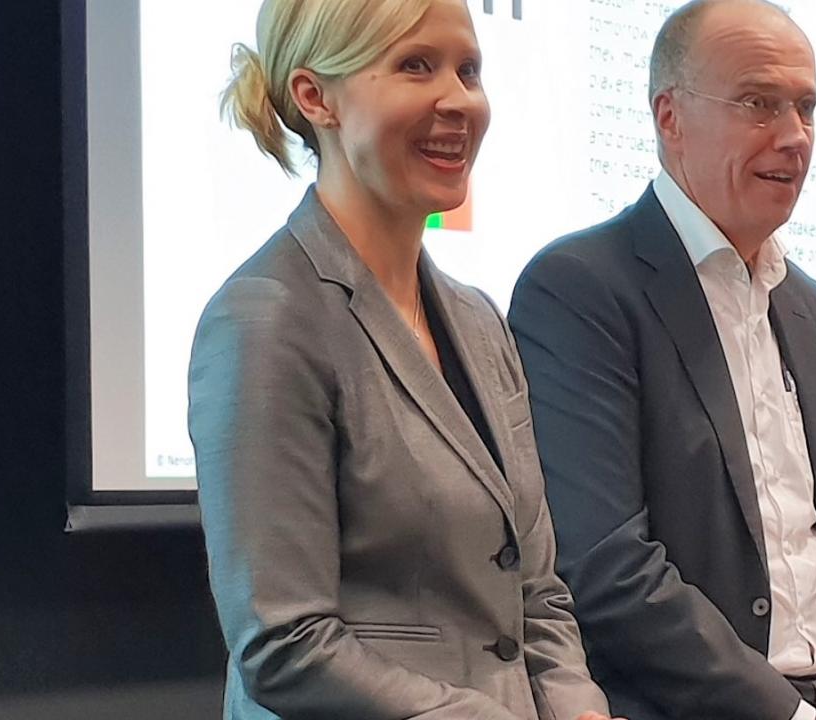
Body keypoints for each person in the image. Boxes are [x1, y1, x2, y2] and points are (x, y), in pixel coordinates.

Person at [509, 2, 816, 719]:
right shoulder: (582, 288)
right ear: (668, 117)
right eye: (758, 103)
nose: (795, 137)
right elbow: (606, 568)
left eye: (806, 108)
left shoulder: (803, 302)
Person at [187, 1, 614, 718]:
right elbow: (284, 644)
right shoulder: (264, 319)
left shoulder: (480, 320)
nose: (461, 100)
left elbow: (535, 591)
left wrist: (579, 707)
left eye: (469, 70)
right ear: (314, 95)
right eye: (417, 65)